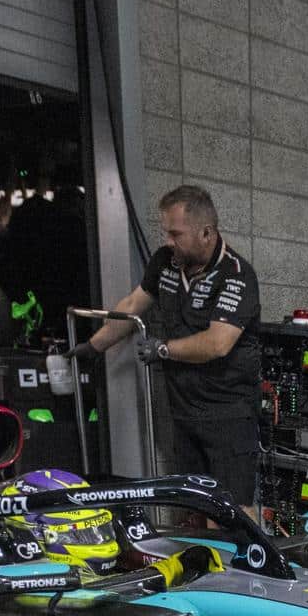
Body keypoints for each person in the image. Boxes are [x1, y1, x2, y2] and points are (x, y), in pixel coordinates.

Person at [72, 184, 262, 509]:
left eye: (176, 235)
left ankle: (243, 561)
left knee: (232, 514)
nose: (168, 242)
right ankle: (203, 561)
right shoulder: (166, 263)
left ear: (206, 232)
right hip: (184, 413)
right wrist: (93, 347)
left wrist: (162, 349)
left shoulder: (236, 276)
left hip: (228, 417)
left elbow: (218, 343)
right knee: (195, 508)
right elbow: (133, 304)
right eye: (167, 233)